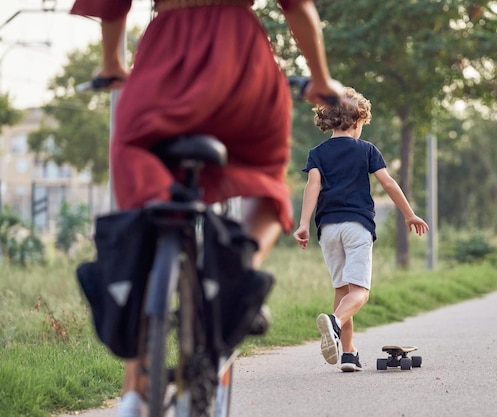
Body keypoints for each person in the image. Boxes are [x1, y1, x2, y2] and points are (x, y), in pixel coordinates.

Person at [69, 0, 344, 415]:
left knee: (137, 169)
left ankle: (134, 392)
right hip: (241, 62)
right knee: (266, 180)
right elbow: (298, 7)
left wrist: (112, 65)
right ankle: (237, 273)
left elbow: (111, 6)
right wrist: (320, 79)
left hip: (162, 62)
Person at [293, 87, 429, 372]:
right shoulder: (366, 149)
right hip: (357, 226)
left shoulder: (317, 153)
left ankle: (349, 353)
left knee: (343, 292)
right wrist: (410, 215)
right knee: (360, 293)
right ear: (357, 122)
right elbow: (388, 183)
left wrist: (304, 224)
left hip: (328, 229)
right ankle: (333, 322)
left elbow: (312, 186)